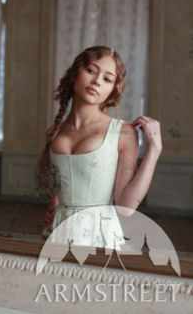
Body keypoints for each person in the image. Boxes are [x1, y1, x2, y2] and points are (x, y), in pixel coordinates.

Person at [38, 46, 162, 249]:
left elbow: (127, 207)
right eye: (91, 71)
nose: (97, 81)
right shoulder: (54, 131)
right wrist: (54, 206)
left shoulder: (122, 132)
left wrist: (154, 150)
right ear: (75, 73)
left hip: (99, 236)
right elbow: (61, 182)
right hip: (57, 233)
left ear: (113, 89)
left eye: (107, 79)